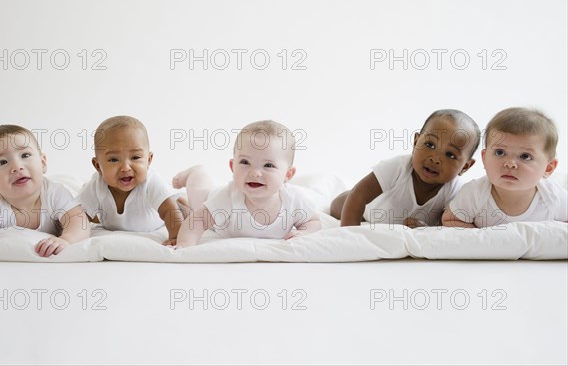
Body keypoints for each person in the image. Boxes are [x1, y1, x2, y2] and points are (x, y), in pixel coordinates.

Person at [173, 120, 322, 248]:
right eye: (245, 162)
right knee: (198, 197)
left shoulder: (293, 199)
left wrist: (303, 233)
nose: (255, 173)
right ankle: (197, 173)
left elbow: (313, 221)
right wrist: (185, 244)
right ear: (233, 167)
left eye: (268, 165)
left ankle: (184, 201)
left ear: (287, 175)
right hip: (212, 210)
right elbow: (198, 220)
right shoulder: (229, 197)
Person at [330, 109, 480, 228]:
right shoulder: (398, 167)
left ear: (465, 166)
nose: (435, 158)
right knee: (339, 205)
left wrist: (425, 228)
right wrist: (350, 234)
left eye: (450, 154)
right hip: (368, 210)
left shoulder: (456, 190)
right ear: (416, 142)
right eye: (430, 145)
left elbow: (446, 224)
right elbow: (359, 195)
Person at [0, 125, 91, 269]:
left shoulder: (54, 193)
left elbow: (79, 220)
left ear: (43, 163)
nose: (17, 166)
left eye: (25, 155)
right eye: (2, 162)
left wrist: (66, 240)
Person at [442, 107, 567, 228]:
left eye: (525, 156)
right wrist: (482, 240)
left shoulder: (553, 197)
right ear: (484, 158)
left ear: (548, 168)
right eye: (500, 152)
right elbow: (450, 219)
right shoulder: (474, 193)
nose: (510, 163)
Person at [77, 115, 185, 245]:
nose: (125, 168)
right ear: (98, 166)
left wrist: (176, 238)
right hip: (112, 220)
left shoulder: (150, 181)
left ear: (148, 160)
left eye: (135, 157)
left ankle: (179, 196)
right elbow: (77, 216)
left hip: (161, 214)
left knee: (185, 211)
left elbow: (169, 212)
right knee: (84, 208)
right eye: (114, 160)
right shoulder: (96, 185)